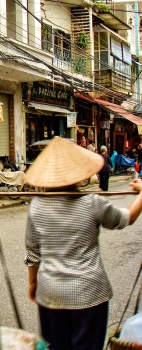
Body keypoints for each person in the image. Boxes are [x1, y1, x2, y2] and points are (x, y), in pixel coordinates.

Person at [25, 137, 142, 350]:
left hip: (50, 293)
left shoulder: (36, 206)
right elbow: (127, 218)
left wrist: (33, 283)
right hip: (88, 295)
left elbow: (32, 253)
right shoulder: (92, 203)